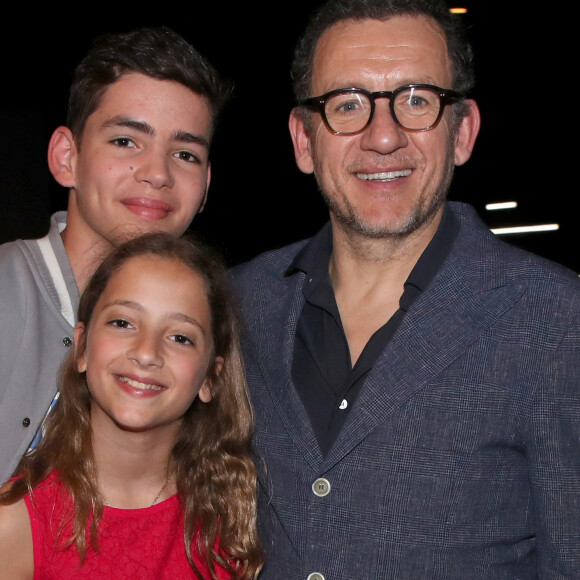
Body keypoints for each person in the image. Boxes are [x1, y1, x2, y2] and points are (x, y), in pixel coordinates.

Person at [231, 0, 580, 577]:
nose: (384, 136)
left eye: (416, 101)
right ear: (303, 140)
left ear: (462, 130)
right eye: (347, 105)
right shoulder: (237, 306)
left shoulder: (558, 320)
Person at [0, 26, 231, 485]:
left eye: (185, 153)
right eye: (126, 141)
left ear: (205, 186)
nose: (157, 173)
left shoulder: (207, 336)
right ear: (67, 156)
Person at [0, 232, 265, 579]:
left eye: (180, 337)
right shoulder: (16, 519)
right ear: (81, 347)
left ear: (210, 378)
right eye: (122, 322)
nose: (145, 352)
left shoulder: (228, 518)